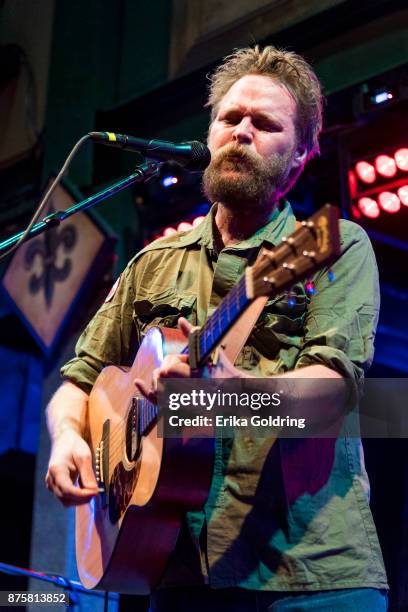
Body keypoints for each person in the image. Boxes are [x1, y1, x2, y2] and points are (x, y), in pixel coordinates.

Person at [45, 46, 388, 611]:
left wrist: (236, 397)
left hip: (307, 576)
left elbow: (332, 391)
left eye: (265, 123)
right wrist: (67, 439)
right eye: (230, 118)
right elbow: (78, 382)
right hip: (174, 572)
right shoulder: (151, 264)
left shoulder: (333, 246)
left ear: (302, 153)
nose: (242, 133)